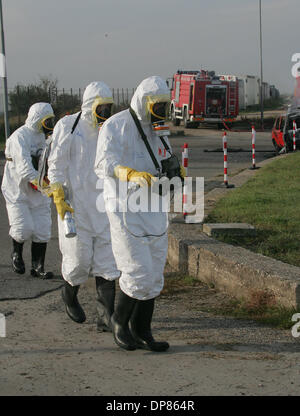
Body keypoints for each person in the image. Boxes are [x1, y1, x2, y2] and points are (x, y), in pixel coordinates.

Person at [95, 76, 185, 352]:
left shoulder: (158, 129)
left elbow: (164, 157)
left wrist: (175, 170)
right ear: (144, 101)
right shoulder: (116, 125)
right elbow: (103, 163)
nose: (161, 111)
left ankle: (143, 329)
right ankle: (120, 323)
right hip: (125, 208)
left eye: (165, 106)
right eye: (157, 105)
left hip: (154, 207)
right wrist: (129, 173)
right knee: (136, 269)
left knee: (155, 270)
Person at [47, 81, 120, 329]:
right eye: (102, 108)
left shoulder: (110, 129)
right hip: (75, 207)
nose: (106, 114)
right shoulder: (69, 126)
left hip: (104, 207)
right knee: (78, 262)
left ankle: (105, 315)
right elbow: (55, 164)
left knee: (109, 264)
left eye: (109, 108)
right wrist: (57, 191)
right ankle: (68, 294)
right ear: (90, 106)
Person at [1, 102, 55, 279]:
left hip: (38, 190)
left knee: (42, 228)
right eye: (47, 121)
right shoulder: (19, 138)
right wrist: (45, 186)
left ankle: (37, 266)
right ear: (37, 119)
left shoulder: (44, 138)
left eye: (51, 121)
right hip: (18, 190)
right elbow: (24, 168)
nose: (49, 125)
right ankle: (16, 254)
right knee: (23, 228)